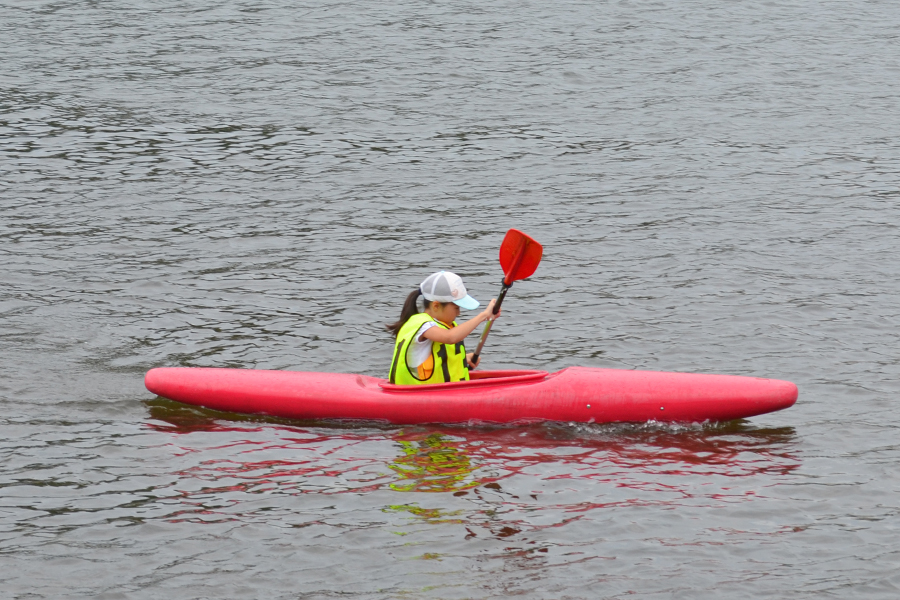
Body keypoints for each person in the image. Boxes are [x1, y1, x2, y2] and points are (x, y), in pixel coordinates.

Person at [386, 271, 500, 385]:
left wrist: (463, 360)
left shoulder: (438, 324)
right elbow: (450, 337)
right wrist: (484, 315)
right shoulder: (423, 325)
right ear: (436, 306)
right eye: (456, 308)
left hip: (438, 394)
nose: (459, 313)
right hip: (414, 395)